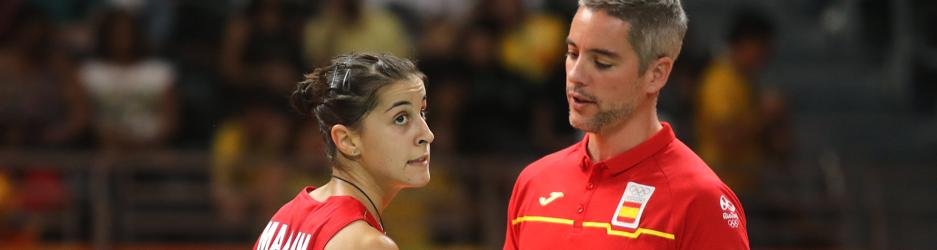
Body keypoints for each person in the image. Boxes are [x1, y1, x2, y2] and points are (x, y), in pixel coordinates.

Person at [503, 0, 750, 249]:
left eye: (602, 63)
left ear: (656, 74)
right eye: (572, 54)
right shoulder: (533, 182)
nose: (576, 75)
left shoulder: (699, 201)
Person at [253, 52, 434, 250]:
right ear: (347, 140)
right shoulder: (368, 244)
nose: (427, 134)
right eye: (400, 118)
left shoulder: (285, 217)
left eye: (422, 112)